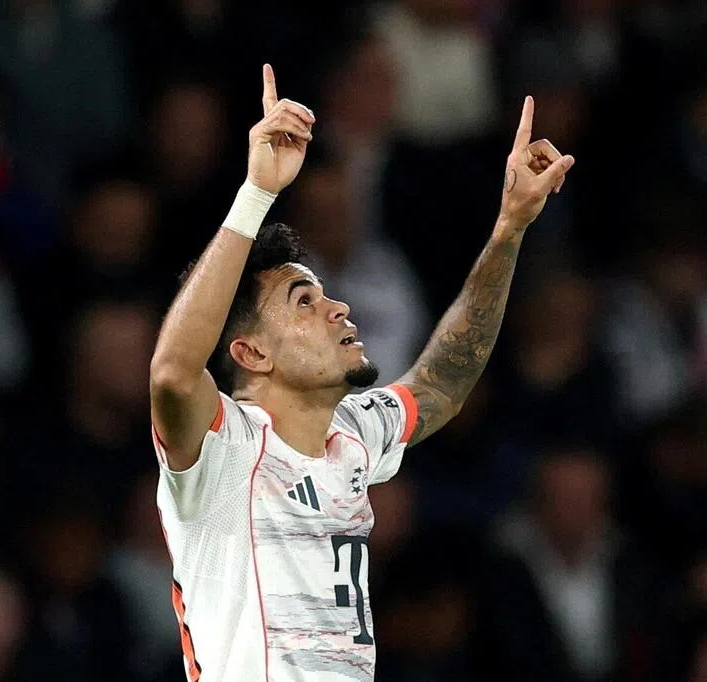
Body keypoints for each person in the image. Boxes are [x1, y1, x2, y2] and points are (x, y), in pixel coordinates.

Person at [148, 64, 575, 682]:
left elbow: (442, 381)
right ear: (252, 354)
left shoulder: (353, 432)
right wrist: (257, 193)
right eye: (304, 301)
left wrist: (509, 229)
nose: (338, 307)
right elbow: (172, 371)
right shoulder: (223, 446)